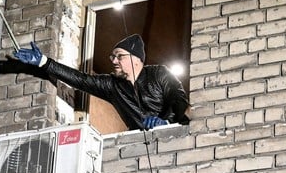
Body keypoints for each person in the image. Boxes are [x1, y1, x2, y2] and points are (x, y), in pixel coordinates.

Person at [13, 34, 189, 131]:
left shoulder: (159, 73)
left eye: (119, 56)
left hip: (173, 136)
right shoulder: (112, 85)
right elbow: (80, 80)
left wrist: (165, 122)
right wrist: (44, 62)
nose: (113, 61)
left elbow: (179, 101)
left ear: (137, 60)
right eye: (112, 56)